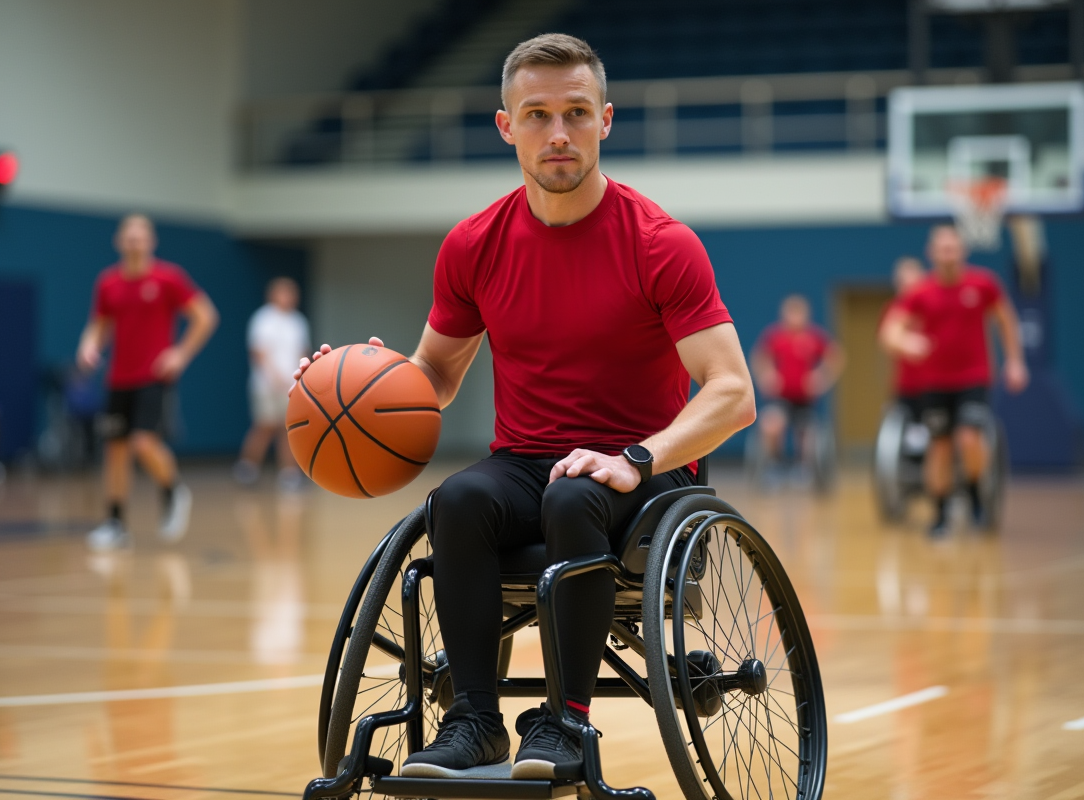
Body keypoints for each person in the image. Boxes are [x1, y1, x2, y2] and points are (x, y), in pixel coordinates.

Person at [292, 34, 754, 780]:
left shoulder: (661, 244)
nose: (559, 133)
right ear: (506, 126)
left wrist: (634, 459)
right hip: (527, 462)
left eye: (576, 112)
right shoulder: (474, 245)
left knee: (577, 494)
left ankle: (567, 722)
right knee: (460, 499)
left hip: (646, 475)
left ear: (606, 119)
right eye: (537, 115)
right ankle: (474, 720)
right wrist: (356, 385)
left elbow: (733, 393)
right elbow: (433, 376)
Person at [78, 214, 219, 550]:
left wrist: (180, 355)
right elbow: (99, 324)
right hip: (118, 378)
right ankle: (115, 523)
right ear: (119, 241)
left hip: (153, 377)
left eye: (141, 236)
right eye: (129, 236)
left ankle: (172, 490)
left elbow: (206, 316)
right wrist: (88, 345)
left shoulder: (168, 278)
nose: (134, 241)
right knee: (115, 450)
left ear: (151, 242)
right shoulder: (108, 283)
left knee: (143, 442)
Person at [881, 225, 1028, 536]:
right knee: (940, 447)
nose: (947, 254)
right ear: (931, 253)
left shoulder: (984, 284)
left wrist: (1015, 361)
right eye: (942, 248)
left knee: (969, 438)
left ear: (963, 250)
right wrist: (906, 342)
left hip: (974, 378)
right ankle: (941, 512)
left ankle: (975, 492)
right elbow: (890, 331)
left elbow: (1006, 320)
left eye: (953, 248)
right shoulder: (920, 291)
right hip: (933, 383)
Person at [750, 295, 844, 468]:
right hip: (781, 399)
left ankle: (805, 468)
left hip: (805, 401)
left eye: (798, 313)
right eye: (791, 313)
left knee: (808, 435)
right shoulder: (775, 336)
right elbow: (760, 358)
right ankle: (774, 465)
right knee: (770, 424)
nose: (794, 317)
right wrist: (767, 376)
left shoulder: (814, 337)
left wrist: (821, 377)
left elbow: (835, 357)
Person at [234, 277, 310, 490]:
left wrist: (301, 376)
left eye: (292, 292)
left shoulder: (298, 321)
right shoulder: (264, 319)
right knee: (264, 426)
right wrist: (275, 376)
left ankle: (289, 475)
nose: (288, 297)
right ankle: (247, 469)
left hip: (291, 386)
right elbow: (259, 352)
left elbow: (302, 351)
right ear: (273, 294)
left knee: (289, 429)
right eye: (284, 292)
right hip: (266, 386)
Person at [882, 257, 928, 417]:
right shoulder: (893, 310)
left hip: (936, 383)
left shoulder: (931, 305)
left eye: (912, 283)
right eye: (902, 282)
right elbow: (887, 344)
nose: (908, 288)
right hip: (906, 385)